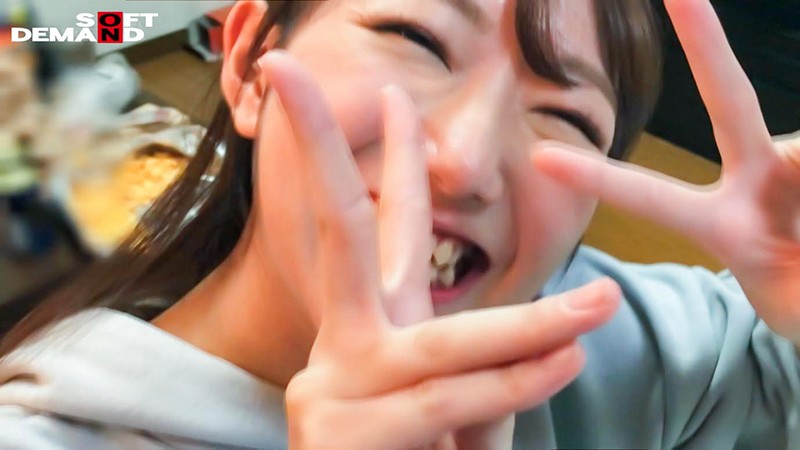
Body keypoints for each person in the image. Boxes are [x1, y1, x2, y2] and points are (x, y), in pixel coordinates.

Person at [0, 0, 798, 448]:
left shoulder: (597, 341)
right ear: (247, 63)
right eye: (418, 40)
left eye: (569, 119)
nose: (465, 162)